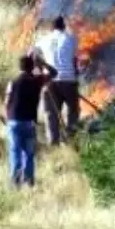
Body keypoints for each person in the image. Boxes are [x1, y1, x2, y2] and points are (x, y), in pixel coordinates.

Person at [3, 53, 57, 187]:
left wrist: (7, 118)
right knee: (29, 153)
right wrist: (42, 63)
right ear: (32, 67)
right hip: (30, 122)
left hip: (14, 120)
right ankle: (29, 180)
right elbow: (54, 73)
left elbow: (6, 102)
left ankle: (16, 181)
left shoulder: (13, 82)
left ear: (19, 67)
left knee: (15, 151)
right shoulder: (37, 80)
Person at [33, 16, 80, 145]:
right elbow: (74, 61)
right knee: (73, 111)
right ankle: (72, 140)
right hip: (69, 80)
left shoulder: (43, 40)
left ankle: (53, 143)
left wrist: (39, 72)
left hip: (49, 82)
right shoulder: (71, 38)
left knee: (50, 114)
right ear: (63, 26)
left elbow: (33, 56)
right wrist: (75, 77)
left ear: (51, 27)